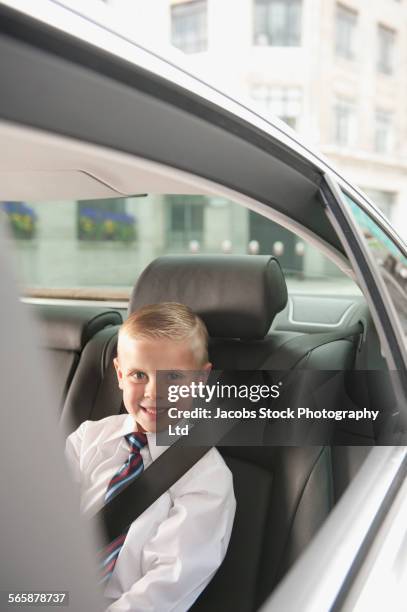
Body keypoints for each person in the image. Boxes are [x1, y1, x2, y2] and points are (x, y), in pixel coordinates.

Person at [65, 302, 236, 612]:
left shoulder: (207, 478)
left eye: (173, 377)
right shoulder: (87, 439)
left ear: (200, 380)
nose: (154, 392)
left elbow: (169, 584)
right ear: (119, 373)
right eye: (138, 375)